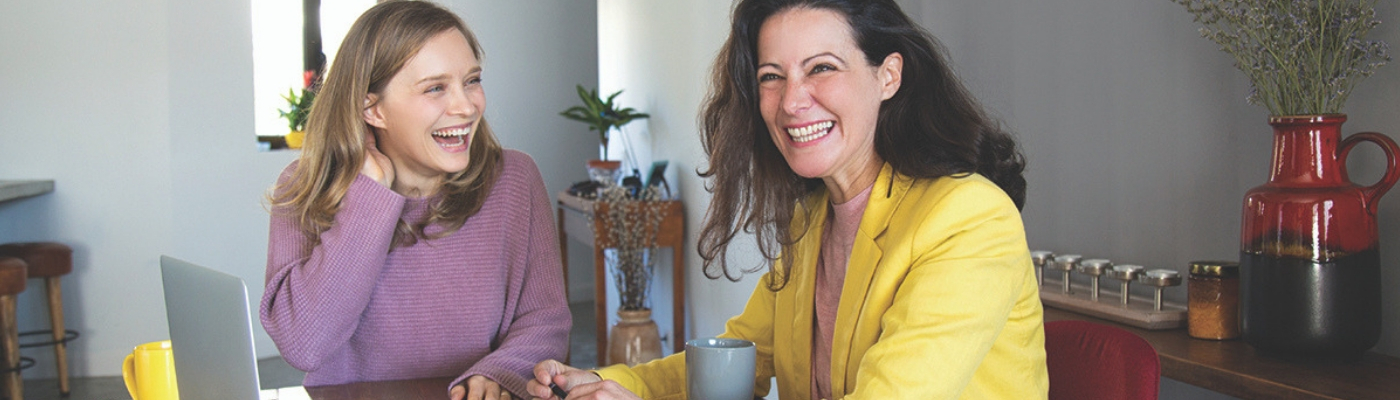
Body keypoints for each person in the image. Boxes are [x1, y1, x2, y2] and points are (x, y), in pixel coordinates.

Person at [528, 0, 1047, 398]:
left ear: (888, 76)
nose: (792, 102)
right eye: (772, 77)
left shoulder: (969, 217)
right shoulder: (812, 219)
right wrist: (597, 381)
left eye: (821, 68)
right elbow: (735, 360)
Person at [260, 2, 569, 400]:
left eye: (471, 80)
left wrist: (501, 371)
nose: (467, 106)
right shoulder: (305, 186)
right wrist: (370, 195)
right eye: (436, 88)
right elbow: (304, 343)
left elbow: (546, 320)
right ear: (371, 108)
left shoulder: (514, 178)